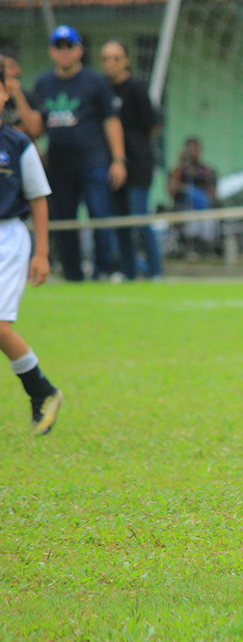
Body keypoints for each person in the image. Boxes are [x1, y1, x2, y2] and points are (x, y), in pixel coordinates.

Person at [0, 58, 63, 434]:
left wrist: (41, 253)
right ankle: (41, 389)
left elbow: (39, 199)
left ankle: (42, 390)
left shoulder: (17, 144)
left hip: (9, 239)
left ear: (6, 93)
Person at [34, 25, 127, 282]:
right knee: (64, 219)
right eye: (58, 47)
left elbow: (111, 120)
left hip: (93, 162)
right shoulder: (43, 83)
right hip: (59, 166)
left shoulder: (95, 81)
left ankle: (103, 270)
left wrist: (118, 160)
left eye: (69, 46)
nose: (64, 52)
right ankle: (73, 273)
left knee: (99, 215)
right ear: (52, 51)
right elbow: (37, 124)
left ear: (79, 50)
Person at [99, 40, 163, 281]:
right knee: (120, 223)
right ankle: (128, 272)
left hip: (137, 166)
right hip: (111, 167)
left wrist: (134, 152)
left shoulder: (135, 88)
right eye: (105, 58)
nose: (110, 63)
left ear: (126, 60)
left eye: (115, 58)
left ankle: (156, 271)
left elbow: (152, 124)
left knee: (139, 218)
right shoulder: (102, 89)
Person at [167, 137, 219, 258]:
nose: (192, 151)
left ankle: (207, 249)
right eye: (189, 148)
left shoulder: (206, 170)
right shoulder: (180, 171)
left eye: (195, 148)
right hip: (184, 211)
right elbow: (171, 190)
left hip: (204, 212)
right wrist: (179, 163)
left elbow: (213, 193)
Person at [0, 49, 44, 141]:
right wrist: (21, 129)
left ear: (18, 68)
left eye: (11, 66)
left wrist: (18, 95)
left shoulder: (30, 96)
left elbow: (34, 131)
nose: (7, 72)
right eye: (3, 68)